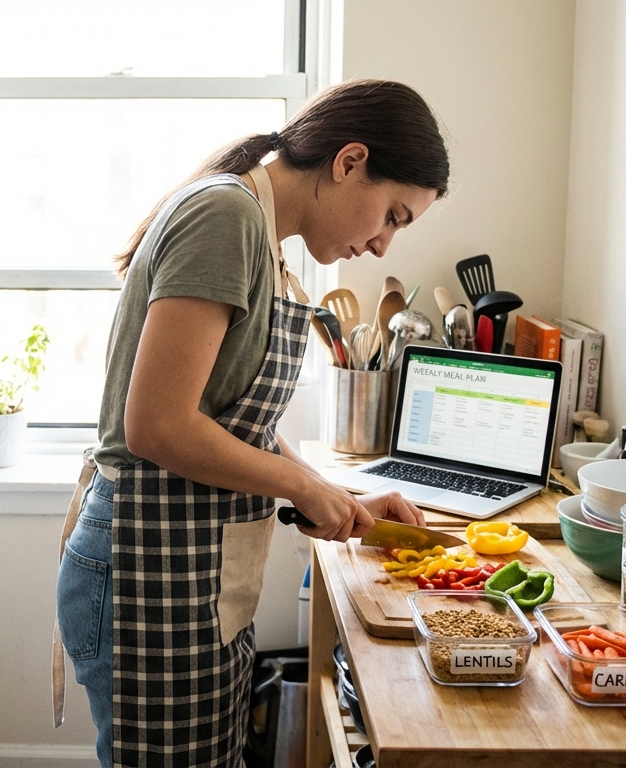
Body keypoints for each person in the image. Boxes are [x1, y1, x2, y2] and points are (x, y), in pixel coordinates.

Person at [53, 78, 451, 767]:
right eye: (392, 214)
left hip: (190, 571)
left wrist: (340, 498)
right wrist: (300, 489)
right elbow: (156, 425)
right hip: (146, 569)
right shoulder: (226, 217)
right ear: (349, 160)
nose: (384, 245)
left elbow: (237, 428)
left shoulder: (263, 238)